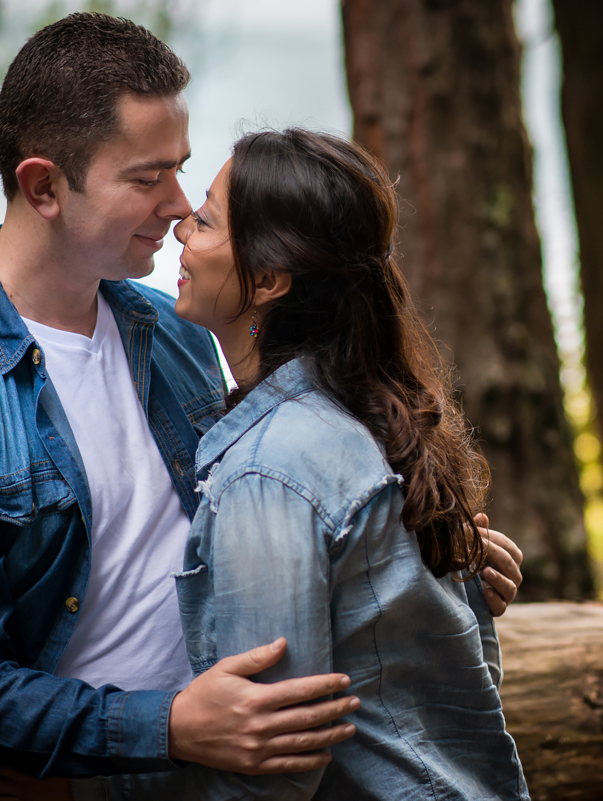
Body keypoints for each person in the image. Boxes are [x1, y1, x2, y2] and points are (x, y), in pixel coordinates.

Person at [0, 14, 524, 801]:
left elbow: (274, 509)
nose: (176, 203)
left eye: (182, 170)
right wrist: (168, 727)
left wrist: (416, 564)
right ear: (43, 186)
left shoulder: (170, 328)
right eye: (145, 177)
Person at [44, 129, 531, 801]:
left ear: (269, 281)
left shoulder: (268, 472)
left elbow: (272, 767)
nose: (182, 226)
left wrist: (83, 790)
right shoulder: (368, 413)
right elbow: (459, 683)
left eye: (208, 219)